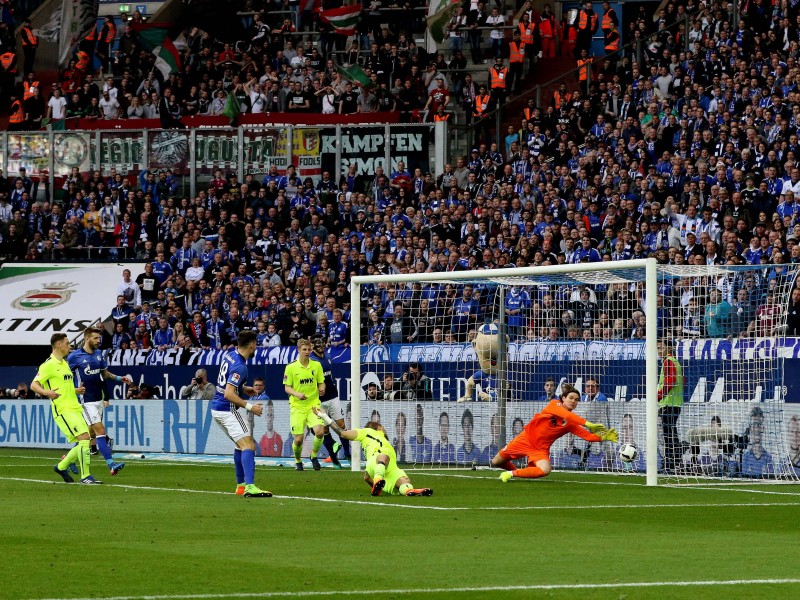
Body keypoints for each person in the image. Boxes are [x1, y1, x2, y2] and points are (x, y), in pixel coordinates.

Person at [491, 383, 615, 482]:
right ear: (563, 398)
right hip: (524, 439)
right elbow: (565, 414)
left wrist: (603, 437)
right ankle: (519, 472)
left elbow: (588, 436)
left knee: (545, 470)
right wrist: (588, 424)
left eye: (577, 400)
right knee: (496, 462)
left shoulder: (571, 422)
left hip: (540, 450)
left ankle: (510, 474)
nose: (573, 401)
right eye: (571, 398)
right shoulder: (553, 404)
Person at [312, 407, 432, 496]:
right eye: (382, 427)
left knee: (404, 481)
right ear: (378, 427)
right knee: (383, 456)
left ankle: (408, 491)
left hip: (386, 468)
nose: (384, 429)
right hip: (378, 460)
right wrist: (324, 417)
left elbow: (366, 478)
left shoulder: (385, 441)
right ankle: (378, 480)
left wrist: (373, 483)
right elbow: (342, 433)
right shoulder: (367, 431)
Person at [209, 329, 272, 497]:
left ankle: (241, 486)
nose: (256, 348)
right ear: (251, 345)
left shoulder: (230, 355)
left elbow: (226, 384)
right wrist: (251, 407)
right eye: (255, 345)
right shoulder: (241, 366)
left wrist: (244, 388)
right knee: (249, 445)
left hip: (217, 409)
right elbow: (229, 394)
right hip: (227, 409)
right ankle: (250, 487)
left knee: (239, 445)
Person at [30, 333, 101, 484]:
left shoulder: (64, 364)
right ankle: (86, 476)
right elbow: (33, 385)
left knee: (86, 439)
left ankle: (61, 467)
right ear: (58, 345)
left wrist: (75, 390)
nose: (70, 346)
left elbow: (64, 386)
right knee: (84, 438)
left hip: (75, 407)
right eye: (68, 343)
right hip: (63, 410)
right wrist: (46, 392)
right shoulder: (48, 365)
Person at [67, 326, 132, 475]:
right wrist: (74, 390)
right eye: (96, 338)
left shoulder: (98, 354)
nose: (99, 341)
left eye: (99, 338)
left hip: (98, 399)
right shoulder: (74, 357)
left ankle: (68, 459)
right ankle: (111, 464)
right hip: (86, 400)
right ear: (87, 338)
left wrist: (119, 378)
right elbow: (65, 377)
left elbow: (105, 373)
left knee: (89, 435)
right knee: (101, 431)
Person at [283, 338, 326, 471]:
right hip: (297, 406)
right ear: (299, 350)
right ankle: (298, 461)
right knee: (299, 439)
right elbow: (287, 388)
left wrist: (322, 388)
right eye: (304, 350)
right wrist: (297, 394)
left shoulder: (316, 365)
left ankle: (313, 456)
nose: (307, 352)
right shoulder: (290, 367)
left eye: (309, 349)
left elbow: (321, 382)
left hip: (313, 404)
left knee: (320, 432)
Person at [310, 334, 351, 466]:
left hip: (333, 396)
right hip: (319, 400)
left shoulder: (327, 358)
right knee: (325, 430)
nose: (321, 346)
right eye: (317, 343)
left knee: (341, 425)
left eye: (322, 343)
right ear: (312, 346)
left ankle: (347, 453)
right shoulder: (311, 362)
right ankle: (334, 459)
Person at [657, 339, 683, 473]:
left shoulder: (669, 361)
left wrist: (659, 395)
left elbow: (671, 380)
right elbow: (682, 380)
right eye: (658, 348)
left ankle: (670, 463)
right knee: (671, 432)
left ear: (669, 348)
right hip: (675, 402)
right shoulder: (675, 362)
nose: (658, 351)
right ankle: (676, 461)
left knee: (668, 434)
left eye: (661, 348)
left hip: (669, 403)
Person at [741, 407, 774, 477]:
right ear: (750, 428)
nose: (756, 429)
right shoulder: (745, 457)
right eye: (754, 425)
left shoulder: (768, 457)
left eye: (758, 425)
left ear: (763, 428)